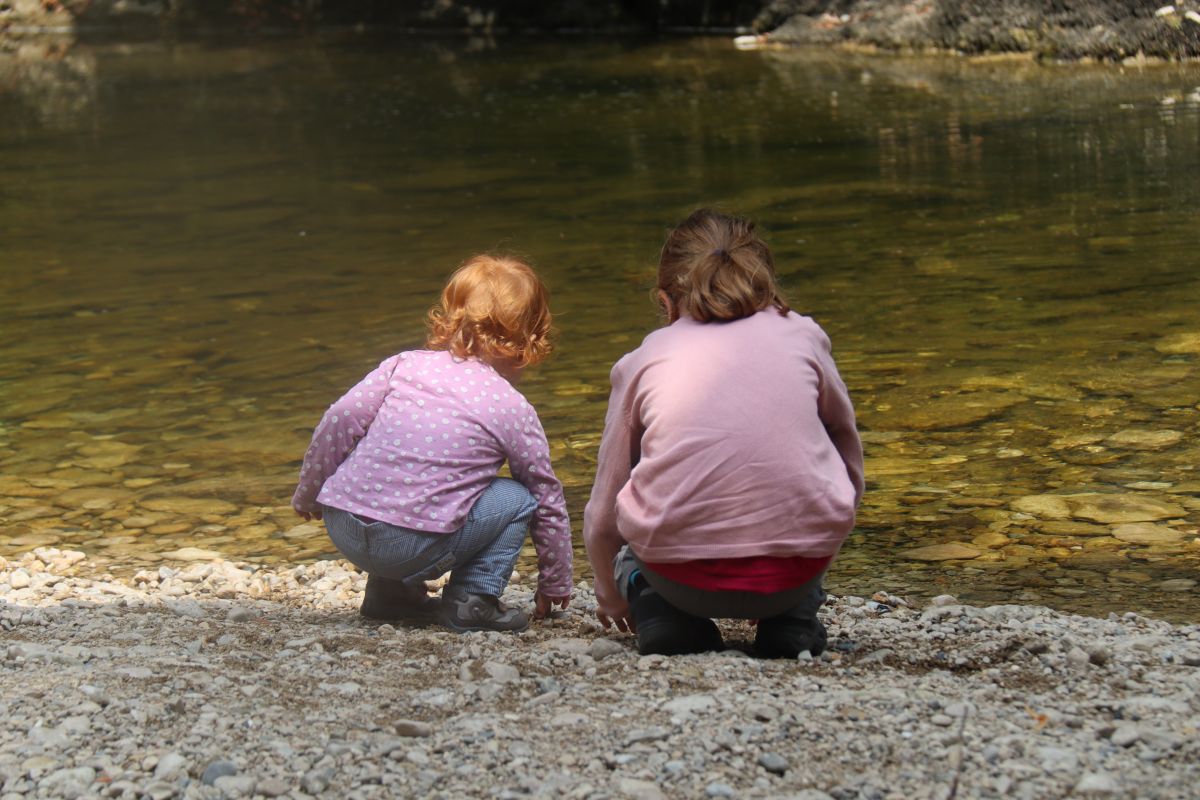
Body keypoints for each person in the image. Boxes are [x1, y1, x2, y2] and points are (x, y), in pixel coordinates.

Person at [583, 209, 864, 657]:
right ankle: (791, 618)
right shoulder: (805, 336)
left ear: (665, 301)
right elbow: (846, 448)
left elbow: (602, 515)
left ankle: (660, 612)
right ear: (765, 283)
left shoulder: (646, 357)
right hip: (794, 572)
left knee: (642, 477)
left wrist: (610, 593)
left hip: (679, 580)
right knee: (805, 453)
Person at [291, 254, 573, 633]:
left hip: (344, 527)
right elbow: (546, 496)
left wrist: (309, 493)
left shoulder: (403, 364)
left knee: (404, 469)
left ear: (449, 317)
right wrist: (556, 579)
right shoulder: (512, 407)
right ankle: (473, 599)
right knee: (518, 497)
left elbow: (339, 420)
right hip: (409, 546)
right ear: (530, 339)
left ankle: (389, 596)